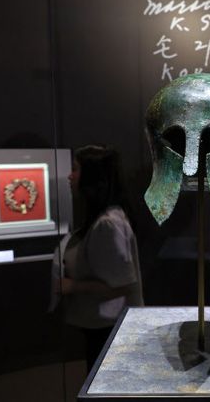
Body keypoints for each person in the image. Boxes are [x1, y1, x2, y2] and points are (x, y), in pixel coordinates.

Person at [54, 145, 143, 370]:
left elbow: (122, 285)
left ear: (91, 177)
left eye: (76, 169)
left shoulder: (108, 225)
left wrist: (72, 286)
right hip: (105, 328)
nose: (70, 176)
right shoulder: (105, 221)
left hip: (110, 331)